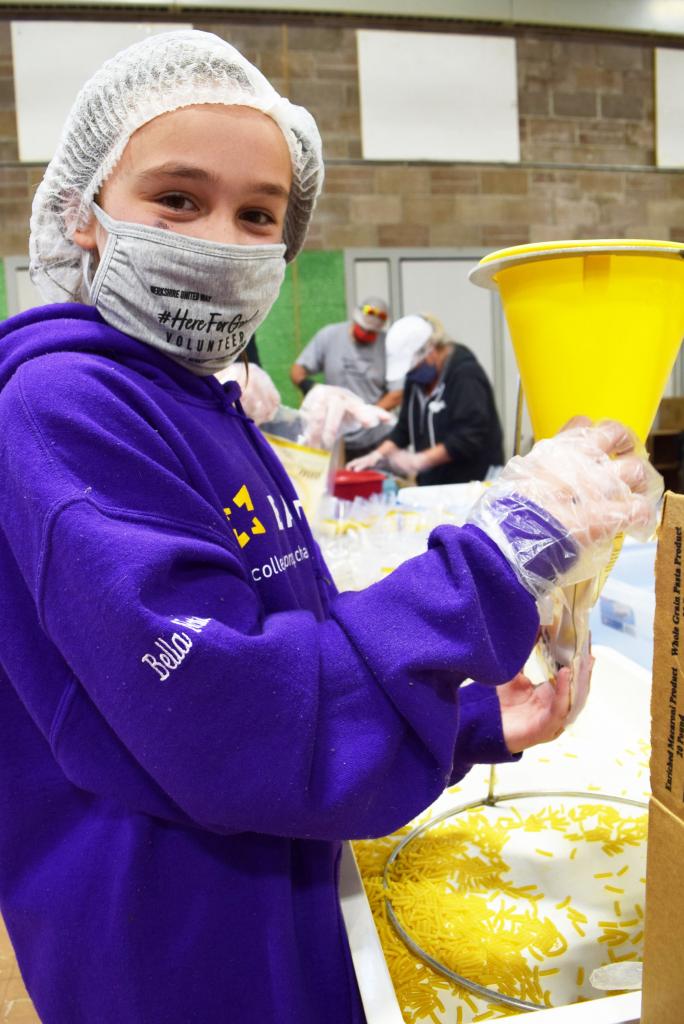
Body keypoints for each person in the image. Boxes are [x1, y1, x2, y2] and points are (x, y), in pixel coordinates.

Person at [0, 29, 660, 1024]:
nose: (223, 237)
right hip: (166, 930)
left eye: (259, 213)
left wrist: (474, 719)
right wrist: (497, 560)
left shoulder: (199, 403)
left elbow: (285, 654)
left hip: (258, 863)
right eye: (179, 198)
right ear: (86, 213)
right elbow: (233, 711)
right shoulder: (60, 408)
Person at [348, 313, 504, 485]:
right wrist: (377, 455)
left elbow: (468, 436)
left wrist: (420, 460)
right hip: (436, 486)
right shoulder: (416, 379)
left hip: (471, 484)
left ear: (430, 350)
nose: (411, 375)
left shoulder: (465, 375)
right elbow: (404, 428)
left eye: (414, 369)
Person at [290, 296, 400, 457]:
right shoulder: (329, 335)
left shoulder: (388, 346)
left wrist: (364, 414)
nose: (366, 334)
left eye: (371, 333)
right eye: (363, 329)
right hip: (335, 434)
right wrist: (313, 388)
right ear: (355, 319)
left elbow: (397, 394)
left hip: (374, 437)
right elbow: (297, 371)